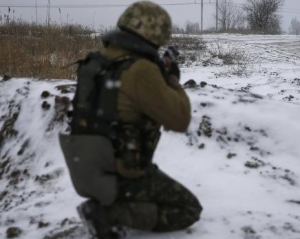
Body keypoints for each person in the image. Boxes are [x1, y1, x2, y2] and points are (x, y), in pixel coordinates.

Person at [75, 1, 203, 238]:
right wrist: (172, 79)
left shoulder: (95, 62)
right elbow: (180, 119)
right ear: (154, 35)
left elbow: (118, 105)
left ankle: (110, 203)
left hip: (86, 168)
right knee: (189, 209)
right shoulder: (141, 70)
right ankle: (109, 214)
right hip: (123, 173)